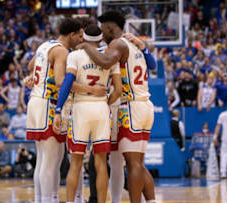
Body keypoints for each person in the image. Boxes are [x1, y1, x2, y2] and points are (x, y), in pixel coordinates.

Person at [77, 11, 156, 203]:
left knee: (132, 163)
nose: (101, 34)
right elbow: (152, 64)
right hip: (144, 105)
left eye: (103, 29)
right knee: (137, 163)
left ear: (111, 28)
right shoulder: (134, 45)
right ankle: (151, 201)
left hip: (131, 106)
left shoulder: (117, 43)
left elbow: (105, 62)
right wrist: (144, 47)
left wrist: (86, 46)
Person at [25, 18, 106, 203]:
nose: (81, 39)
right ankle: (47, 199)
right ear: (71, 35)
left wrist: (31, 78)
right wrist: (92, 89)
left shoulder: (45, 45)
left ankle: (43, 199)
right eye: (79, 36)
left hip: (36, 101)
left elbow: (32, 67)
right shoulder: (61, 51)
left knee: (44, 158)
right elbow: (62, 82)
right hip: (48, 103)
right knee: (51, 160)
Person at [53, 24, 122, 203]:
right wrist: (104, 102)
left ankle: (69, 202)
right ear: (100, 39)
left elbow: (67, 83)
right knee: (100, 163)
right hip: (101, 109)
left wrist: (58, 110)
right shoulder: (109, 57)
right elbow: (118, 91)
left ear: (84, 38)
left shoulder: (75, 55)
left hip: (81, 108)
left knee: (75, 162)